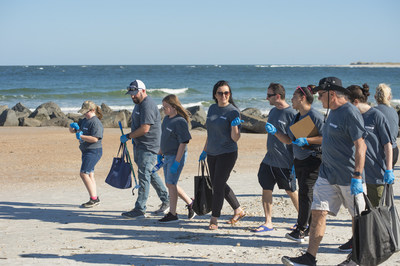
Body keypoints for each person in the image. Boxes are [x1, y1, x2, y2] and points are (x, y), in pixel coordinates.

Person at [282, 77, 368, 266]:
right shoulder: (331, 112)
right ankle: (309, 257)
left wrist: (357, 175)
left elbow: (361, 146)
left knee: (358, 218)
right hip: (327, 175)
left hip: (349, 176)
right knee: (318, 212)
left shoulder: (349, 112)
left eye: (321, 95)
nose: (318, 99)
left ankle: (357, 259)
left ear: (332, 94)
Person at [271, 86, 324, 243]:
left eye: (294, 97)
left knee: (305, 194)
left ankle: (300, 230)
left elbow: (325, 138)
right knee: (305, 194)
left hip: (313, 160)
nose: (291, 100)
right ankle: (306, 228)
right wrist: (275, 132)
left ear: (302, 98)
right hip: (299, 161)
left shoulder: (315, 116)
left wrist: (307, 140)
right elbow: (289, 140)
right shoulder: (297, 117)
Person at [199, 80, 245, 230]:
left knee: (217, 185)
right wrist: (204, 150)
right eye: (220, 93)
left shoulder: (233, 112)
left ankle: (214, 218)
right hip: (212, 152)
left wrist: (234, 126)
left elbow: (235, 138)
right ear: (215, 95)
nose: (224, 95)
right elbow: (210, 133)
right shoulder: (212, 108)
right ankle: (238, 210)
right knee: (218, 182)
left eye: (226, 93)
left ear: (229, 94)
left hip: (227, 153)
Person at [252, 82, 298, 233]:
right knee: (266, 188)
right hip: (269, 159)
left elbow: (291, 140)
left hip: (285, 161)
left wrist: (276, 132)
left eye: (269, 95)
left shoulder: (292, 114)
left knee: (291, 191)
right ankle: (268, 222)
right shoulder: (272, 112)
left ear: (277, 96)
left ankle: (304, 220)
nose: (267, 98)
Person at [120, 79, 169, 219]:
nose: (132, 96)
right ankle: (166, 200)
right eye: (131, 93)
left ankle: (140, 209)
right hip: (140, 146)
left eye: (135, 93)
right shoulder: (138, 104)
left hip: (148, 147)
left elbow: (145, 129)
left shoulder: (147, 105)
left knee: (143, 176)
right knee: (150, 173)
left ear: (143, 91)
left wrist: (128, 136)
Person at [158, 94, 195, 223]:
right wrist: (159, 153)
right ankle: (191, 203)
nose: (164, 110)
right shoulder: (167, 119)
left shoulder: (180, 121)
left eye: (166, 107)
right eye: (163, 107)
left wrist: (177, 162)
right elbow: (164, 138)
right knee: (170, 183)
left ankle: (173, 214)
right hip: (167, 155)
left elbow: (183, 143)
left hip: (176, 156)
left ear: (174, 107)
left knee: (171, 184)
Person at [69, 100, 103, 208]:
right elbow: (74, 131)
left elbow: (95, 138)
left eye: (86, 112)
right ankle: (94, 197)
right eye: (83, 112)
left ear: (92, 110)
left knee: (83, 173)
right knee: (90, 174)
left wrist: (82, 136)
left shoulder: (95, 122)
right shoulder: (84, 120)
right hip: (85, 150)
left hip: (94, 151)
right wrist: (72, 127)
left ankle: (94, 199)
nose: (84, 114)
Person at [374, 83, 399, 168]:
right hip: (394, 151)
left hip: (380, 152)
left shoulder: (373, 112)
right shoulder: (394, 111)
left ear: (375, 97)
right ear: (389, 97)